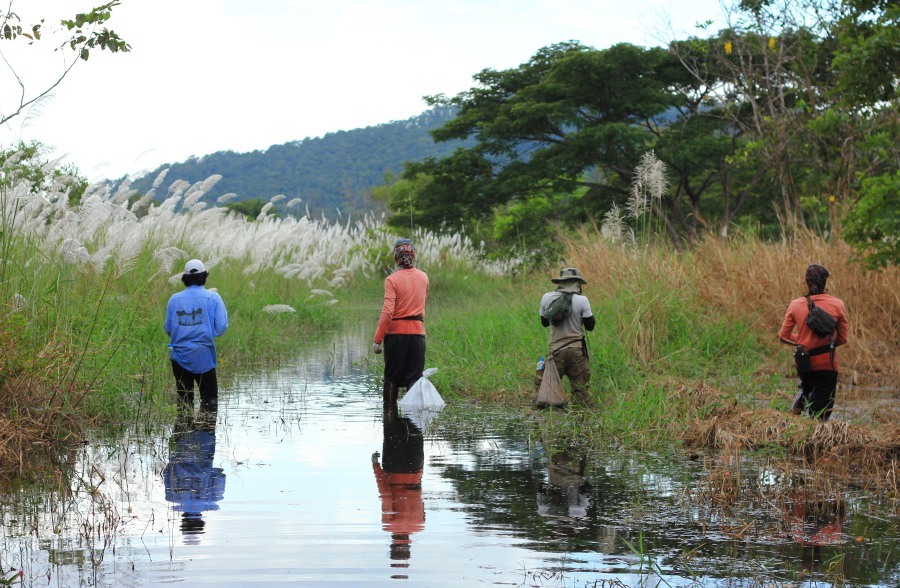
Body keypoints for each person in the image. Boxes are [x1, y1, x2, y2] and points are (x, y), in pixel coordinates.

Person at [779, 264, 849, 421]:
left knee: (808, 385)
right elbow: (843, 338)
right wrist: (827, 342)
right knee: (822, 413)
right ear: (824, 282)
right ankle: (815, 430)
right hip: (826, 364)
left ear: (806, 281)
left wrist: (803, 340)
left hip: (803, 362)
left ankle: (802, 397)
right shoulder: (837, 304)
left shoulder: (795, 304)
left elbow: (783, 336)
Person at [372, 239, 429, 410]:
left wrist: (377, 340)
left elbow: (388, 312)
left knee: (392, 379)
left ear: (396, 257)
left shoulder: (392, 280)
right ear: (413, 255)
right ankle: (413, 426)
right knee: (414, 379)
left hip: (396, 336)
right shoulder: (424, 277)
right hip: (418, 335)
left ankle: (389, 421)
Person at [165, 259, 229, 410]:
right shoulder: (213, 298)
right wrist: (205, 331)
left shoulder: (174, 300)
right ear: (204, 276)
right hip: (204, 355)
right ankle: (205, 433)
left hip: (179, 357)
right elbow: (221, 328)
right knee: (210, 402)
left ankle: (184, 431)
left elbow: (168, 328)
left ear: (185, 278)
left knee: (184, 403)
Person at [536, 267, 595, 405]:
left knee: (548, 387)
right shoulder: (582, 300)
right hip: (576, 351)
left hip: (556, 350)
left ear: (560, 282)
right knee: (580, 389)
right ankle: (581, 417)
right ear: (577, 283)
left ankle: (547, 414)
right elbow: (590, 326)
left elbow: (544, 322)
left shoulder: (547, 297)